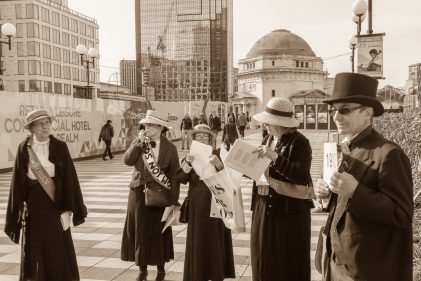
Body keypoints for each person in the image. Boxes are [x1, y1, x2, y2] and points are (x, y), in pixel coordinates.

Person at [314, 73, 413, 281]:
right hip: (335, 261)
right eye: (334, 111)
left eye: (345, 110)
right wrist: (326, 193)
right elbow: (343, 202)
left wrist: (356, 191)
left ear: (368, 113)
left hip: (365, 269)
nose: (336, 116)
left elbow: (401, 214)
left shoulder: (388, 153)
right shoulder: (348, 148)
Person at [4, 109, 87, 281]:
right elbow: (17, 184)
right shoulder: (24, 148)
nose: (45, 126)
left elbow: (70, 179)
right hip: (34, 207)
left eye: (47, 122)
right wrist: (15, 214)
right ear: (32, 128)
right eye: (40, 124)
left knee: (57, 246)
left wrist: (70, 207)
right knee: (35, 246)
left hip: (55, 205)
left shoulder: (60, 146)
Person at [251, 98, 314, 281]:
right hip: (264, 206)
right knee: (262, 257)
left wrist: (274, 157)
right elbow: (262, 171)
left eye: (269, 123)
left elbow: (301, 175)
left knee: (286, 262)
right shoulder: (268, 138)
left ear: (282, 124)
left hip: (288, 212)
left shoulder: (300, 142)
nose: (265, 126)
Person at [121, 109, 181, 281]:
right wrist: (137, 144)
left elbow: (174, 175)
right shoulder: (140, 142)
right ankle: (142, 269)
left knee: (159, 231)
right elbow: (127, 161)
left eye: (150, 125)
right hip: (139, 192)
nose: (146, 127)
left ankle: (161, 269)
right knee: (140, 230)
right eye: (145, 125)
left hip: (161, 194)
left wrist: (173, 201)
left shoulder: (170, 148)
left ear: (160, 127)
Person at [177, 124, 235, 281]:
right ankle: (198, 274)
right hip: (197, 205)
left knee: (215, 239)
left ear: (211, 139)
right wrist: (187, 164)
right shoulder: (189, 156)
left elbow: (231, 179)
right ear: (193, 139)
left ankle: (217, 274)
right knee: (199, 239)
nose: (201, 138)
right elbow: (180, 179)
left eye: (205, 136)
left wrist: (219, 165)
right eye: (198, 136)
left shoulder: (219, 154)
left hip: (216, 202)